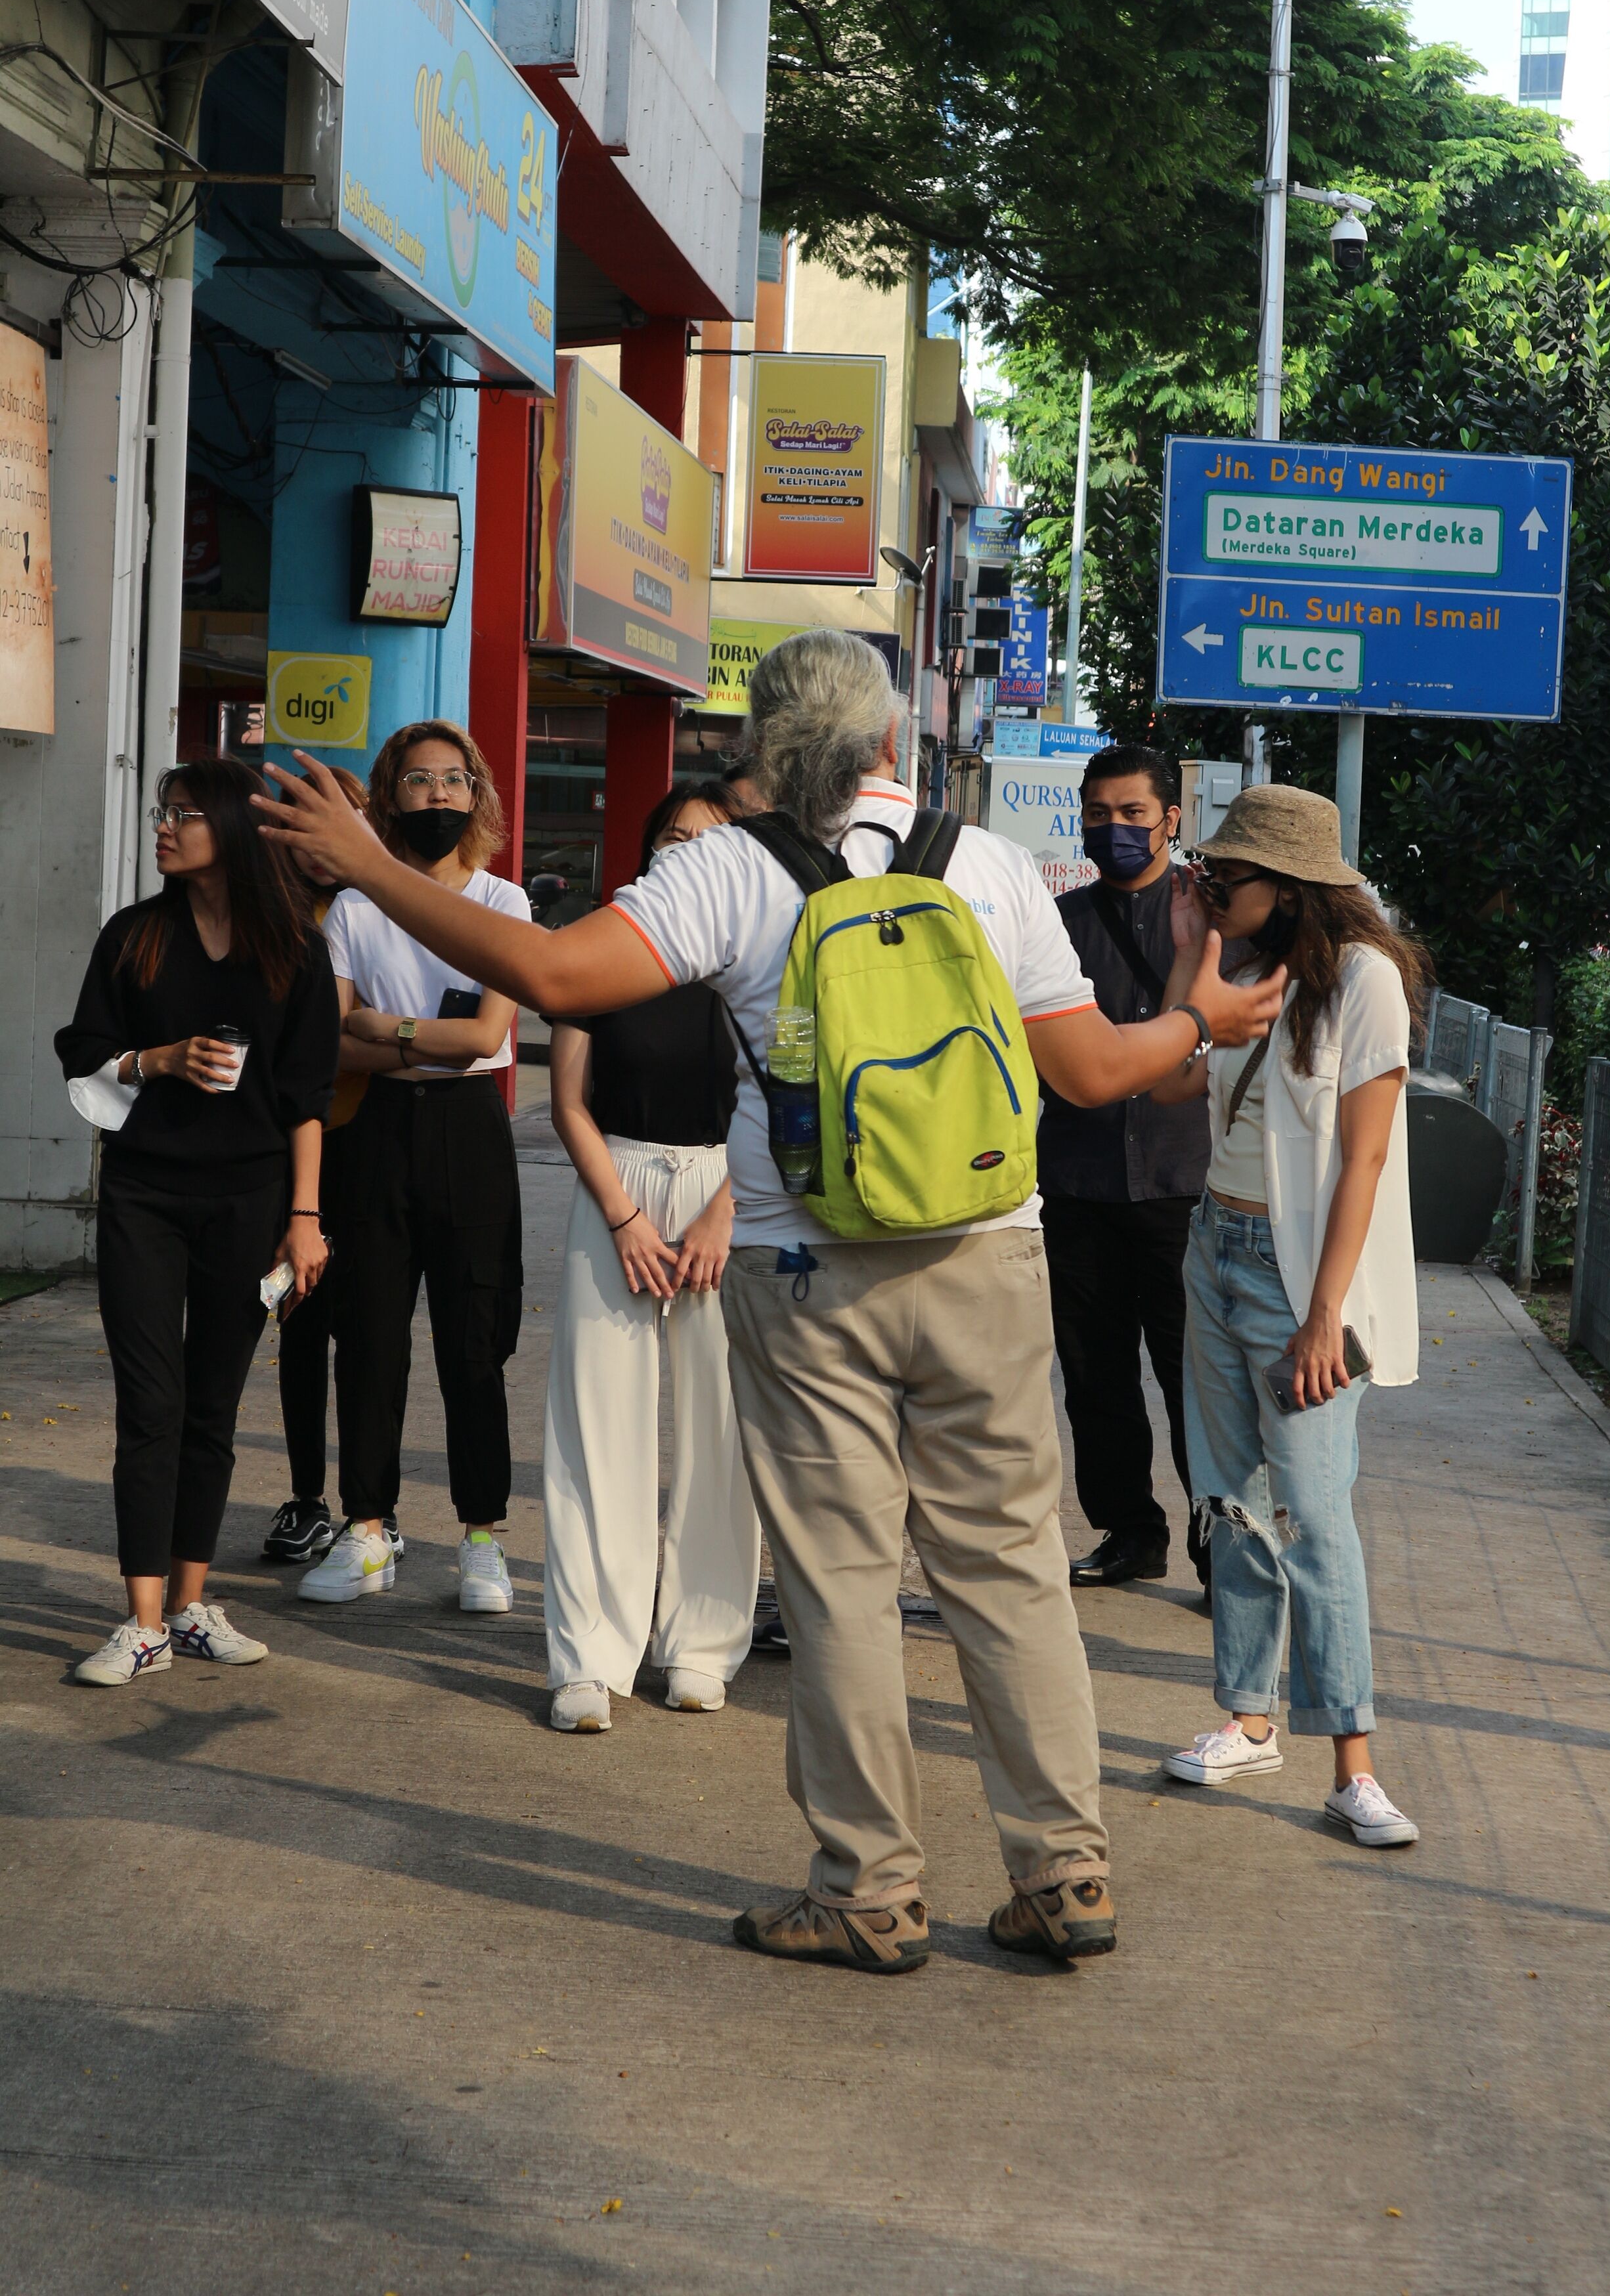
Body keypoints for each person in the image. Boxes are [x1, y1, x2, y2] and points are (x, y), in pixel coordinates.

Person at [253, 630, 1284, 1972]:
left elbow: (552, 980)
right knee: (1012, 1570)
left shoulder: (723, 872)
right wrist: (1198, 1023)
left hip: (802, 1270)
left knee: (842, 1582)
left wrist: (373, 870)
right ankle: (1063, 1873)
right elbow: (1092, 1072)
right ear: (884, 743)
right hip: (985, 1257)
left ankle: (869, 1892)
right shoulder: (984, 867)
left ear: (763, 751)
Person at [1150, 785, 1424, 1845]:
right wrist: (1192, 951)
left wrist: (1324, 1316)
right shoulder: (1245, 967)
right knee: (1230, 1498)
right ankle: (1248, 1718)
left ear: (1292, 886)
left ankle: (1355, 1763)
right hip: (1214, 1248)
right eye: (1208, 877)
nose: (1210, 889)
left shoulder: (1366, 982)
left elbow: (1364, 1159)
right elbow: (1172, 1081)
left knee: (1314, 1513)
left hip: (1297, 1276)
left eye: (1227, 880)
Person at [56, 759, 338, 1685]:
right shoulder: (134, 937)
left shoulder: (292, 946)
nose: (165, 827)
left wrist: (305, 1220)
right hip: (143, 1194)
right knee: (153, 1404)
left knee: (213, 1406)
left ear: (232, 828)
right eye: (161, 813)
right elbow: (87, 1057)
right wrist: (157, 1059)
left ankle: (189, 1604)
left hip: (252, 1200)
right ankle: (140, 1624)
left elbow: (305, 1098)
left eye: (184, 814)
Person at [294, 721, 529, 1614]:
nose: (436, 796)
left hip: (472, 1133)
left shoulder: (504, 905)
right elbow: (334, 1039)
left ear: (478, 796)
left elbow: (486, 1037)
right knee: (370, 1336)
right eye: (418, 780)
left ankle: (481, 1540)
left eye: (453, 781)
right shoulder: (356, 907)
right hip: (376, 1135)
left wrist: (383, 1030)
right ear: (387, 795)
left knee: (475, 1340)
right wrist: (420, 1044)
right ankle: (366, 1531)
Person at [542, 779, 760, 1731]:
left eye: (708, 839)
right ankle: (590, 1655)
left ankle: (704, 1643)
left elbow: (780, 1100)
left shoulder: (761, 957)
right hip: (615, 1186)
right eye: (672, 835)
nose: (686, 850)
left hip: (731, 1188)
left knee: (723, 1428)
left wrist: (721, 1212)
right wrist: (627, 1218)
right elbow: (567, 1102)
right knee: (597, 1426)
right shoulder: (600, 944)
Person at [1040, 745, 1212, 1595]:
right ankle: (1128, 1532)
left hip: (1184, 1188)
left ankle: (1222, 1557)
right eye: (1099, 815)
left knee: (1199, 1384)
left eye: (1133, 814)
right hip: (1079, 1183)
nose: (1115, 829)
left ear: (1170, 819)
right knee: (1096, 1376)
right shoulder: (1057, 925)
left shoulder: (1214, 923)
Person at [259, 767, 403, 1567]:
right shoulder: (264, 919)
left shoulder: (388, 908)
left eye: (342, 821)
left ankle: (372, 1509)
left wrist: (383, 1037)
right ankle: (307, 1498)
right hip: (289, 1149)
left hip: (373, 1141)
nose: (322, 842)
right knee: (302, 1327)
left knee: (375, 1336)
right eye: (304, 824)